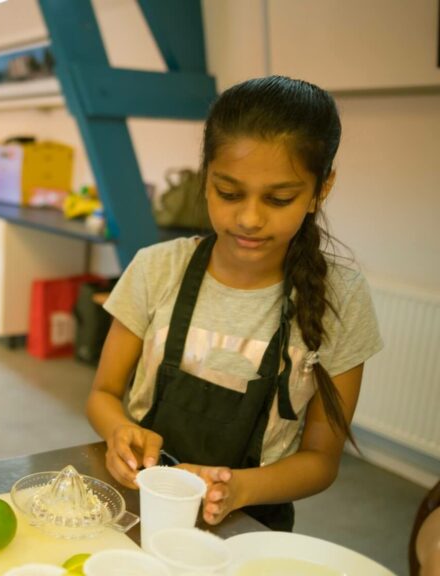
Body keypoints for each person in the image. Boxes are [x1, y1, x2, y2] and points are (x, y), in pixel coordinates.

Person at [86, 75, 383, 532]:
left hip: (250, 522)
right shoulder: (156, 269)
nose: (249, 218)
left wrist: (236, 488)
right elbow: (103, 394)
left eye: (279, 199)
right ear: (206, 179)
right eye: (229, 193)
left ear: (320, 190)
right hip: (140, 505)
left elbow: (321, 460)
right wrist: (118, 431)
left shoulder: (340, 298)